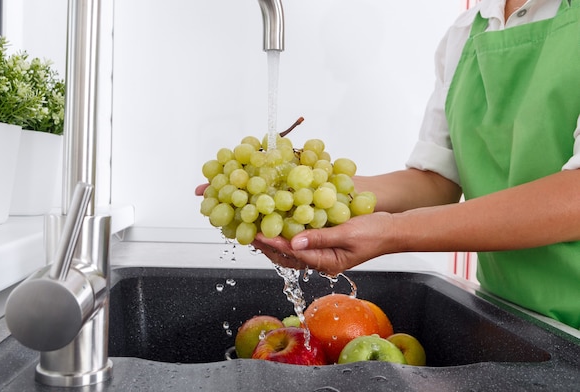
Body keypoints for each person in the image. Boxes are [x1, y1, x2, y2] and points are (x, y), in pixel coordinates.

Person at [246, 0, 580, 330]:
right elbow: (437, 180)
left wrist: (393, 232)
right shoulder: (467, 32)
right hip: (510, 314)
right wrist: (316, 191)